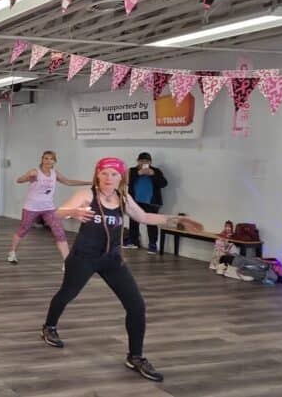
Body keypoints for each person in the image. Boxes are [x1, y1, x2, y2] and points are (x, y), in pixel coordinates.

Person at [40, 157, 202, 382]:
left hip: (112, 259)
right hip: (83, 258)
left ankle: (135, 356)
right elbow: (55, 213)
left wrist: (174, 219)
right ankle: (49, 326)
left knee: (137, 306)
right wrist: (72, 212)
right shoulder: (88, 195)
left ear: (121, 178)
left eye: (114, 174)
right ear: (97, 175)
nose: (108, 178)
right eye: (104, 173)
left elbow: (144, 217)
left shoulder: (124, 198)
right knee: (67, 294)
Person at [8, 151, 91, 266]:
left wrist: (88, 182)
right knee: (24, 229)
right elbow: (19, 180)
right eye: (46, 158)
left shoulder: (54, 173)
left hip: (49, 208)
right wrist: (28, 177)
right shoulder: (35, 172)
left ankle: (67, 262)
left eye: (51, 159)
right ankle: (12, 252)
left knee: (59, 232)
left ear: (54, 161)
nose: (48, 161)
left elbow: (68, 182)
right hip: (32, 207)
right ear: (42, 159)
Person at [124, 152, 168, 253]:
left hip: (151, 201)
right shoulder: (132, 170)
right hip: (135, 201)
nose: (144, 162)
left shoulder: (156, 171)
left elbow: (164, 184)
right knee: (134, 221)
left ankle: (152, 244)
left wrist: (152, 174)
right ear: (138, 161)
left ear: (150, 162)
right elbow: (125, 181)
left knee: (151, 222)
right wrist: (139, 173)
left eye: (147, 161)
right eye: (142, 161)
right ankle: (133, 241)